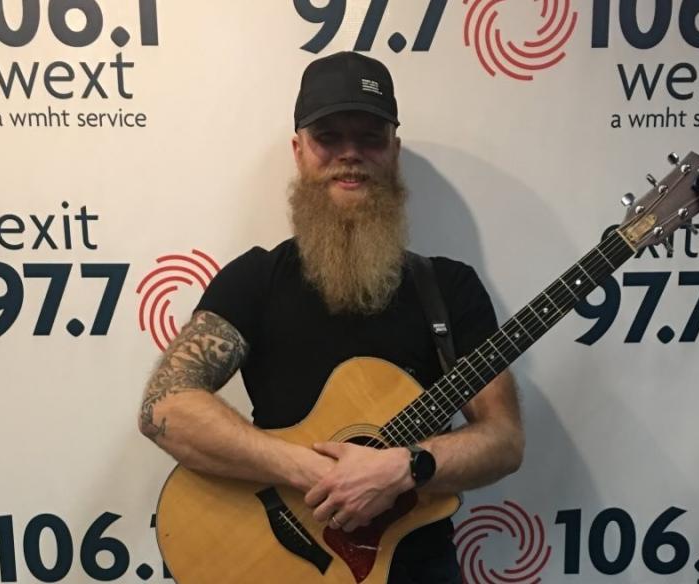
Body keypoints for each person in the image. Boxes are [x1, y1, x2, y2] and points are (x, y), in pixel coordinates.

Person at [139, 51, 524, 584]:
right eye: (328, 137)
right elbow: (166, 406)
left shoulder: (450, 287)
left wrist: (403, 466)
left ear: (394, 150)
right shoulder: (256, 279)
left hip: (418, 565)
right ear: (299, 152)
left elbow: (504, 441)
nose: (350, 155)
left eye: (369, 137)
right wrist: (311, 470)